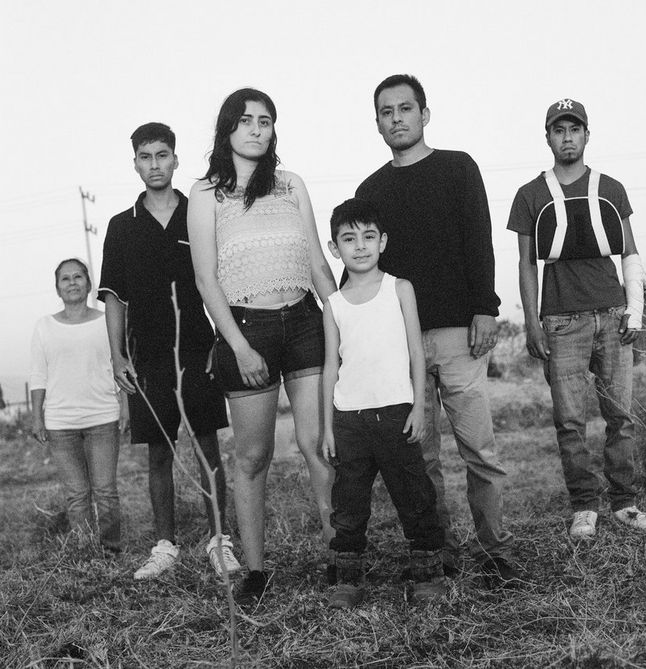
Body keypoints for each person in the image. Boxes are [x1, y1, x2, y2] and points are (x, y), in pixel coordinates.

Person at [355, 74, 516, 586]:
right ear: (377, 123)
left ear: (424, 114)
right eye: (386, 112)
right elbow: (365, 268)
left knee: (479, 450)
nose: (397, 118)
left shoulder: (457, 168)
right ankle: (437, 551)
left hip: (459, 334)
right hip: (401, 343)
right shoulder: (371, 190)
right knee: (420, 457)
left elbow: (479, 239)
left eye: (405, 108)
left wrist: (485, 307)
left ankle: (495, 551)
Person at [188, 88, 337, 604]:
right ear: (227, 128)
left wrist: (343, 323)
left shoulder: (291, 184)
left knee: (318, 444)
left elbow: (317, 263)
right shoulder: (206, 194)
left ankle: (339, 557)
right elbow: (206, 279)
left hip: (305, 322)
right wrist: (239, 346)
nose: (256, 129)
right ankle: (255, 570)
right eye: (246, 120)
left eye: (265, 121)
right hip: (246, 329)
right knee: (254, 455)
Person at [508, 98, 646, 539]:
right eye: (559, 130)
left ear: (587, 135)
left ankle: (625, 502)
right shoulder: (530, 194)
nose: (567, 137)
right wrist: (532, 322)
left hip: (611, 314)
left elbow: (629, 251)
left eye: (574, 129)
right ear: (548, 137)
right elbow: (526, 264)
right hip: (560, 320)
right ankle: (584, 507)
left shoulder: (611, 188)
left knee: (620, 416)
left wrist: (635, 310)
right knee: (570, 422)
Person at [99, 122, 236, 581]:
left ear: (176, 160)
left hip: (198, 350)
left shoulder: (199, 214)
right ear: (135, 164)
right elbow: (114, 296)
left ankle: (220, 542)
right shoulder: (122, 226)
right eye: (146, 156)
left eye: (162, 155)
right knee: (159, 453)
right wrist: (118, 355)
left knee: (207, 448)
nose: (154, 164)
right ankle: (165, 546)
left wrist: (223, 340)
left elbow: (221, 282)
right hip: (149, 357)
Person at [321, 198, 445, 608]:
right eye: (349, 238)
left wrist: (419, 406)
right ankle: (348, 579)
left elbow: (416, 353)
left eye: (368, 236)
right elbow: (330, 367)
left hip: (396, 413)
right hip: (349, 419)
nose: (360, 246)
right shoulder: (334, 304)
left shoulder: (399, 289)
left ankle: (427, 573)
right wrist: (327, 427)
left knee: (415, 496)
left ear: (383, 241)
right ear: (335, 247)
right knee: (349, 504)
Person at [30, 258, 122, 551]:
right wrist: (37, 417)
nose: (72, 282)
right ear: (58, 288)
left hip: (103, 417)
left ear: (89, 283)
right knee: (77, 494)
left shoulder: (107, 322)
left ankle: (110, 549)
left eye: (78, 276)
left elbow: (120, 366)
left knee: (105, 491)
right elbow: (38, 375)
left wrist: (127, 408)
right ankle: (85, 550)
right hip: (61, 423)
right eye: (65, 278)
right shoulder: (44, 327)